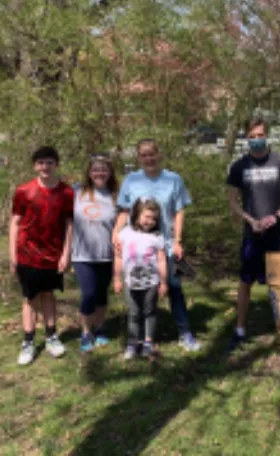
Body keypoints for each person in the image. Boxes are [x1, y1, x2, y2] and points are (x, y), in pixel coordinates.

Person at [113, 139, 200, 352]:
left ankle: (184, 332)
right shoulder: (131, 180)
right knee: (137, 289)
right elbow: (124, 210)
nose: (149, 158)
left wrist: (178, 240)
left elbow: (179, 211)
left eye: (152, 154)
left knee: (174, 287)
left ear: (158, 154)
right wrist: (116, 232)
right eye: (144, 155)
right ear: (138, 157)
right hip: (138, 247)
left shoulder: (173, 179)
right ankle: (140, 338)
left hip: (165, 245)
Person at [226, 117, 280, 352]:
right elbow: (233, 200)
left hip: (279, 233)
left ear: (267, 136)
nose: (257, 140)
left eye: (260, 135)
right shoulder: (239, 166)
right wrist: (251, 220)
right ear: (246, 139)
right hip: (252, 234)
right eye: (252, 137)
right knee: (245, 282)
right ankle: (239, 330)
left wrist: (275, 217)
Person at [9, 146, 74, 366]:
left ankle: (51, 336)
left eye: (49, 162)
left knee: (48, 295)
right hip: (27, 254)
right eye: (41, 163)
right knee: (30, 298)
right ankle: (28, 342)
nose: (45, 167)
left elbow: (69, 224)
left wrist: (66, 253)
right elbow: (15, 222)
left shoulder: (66, 192)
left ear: (56, 164)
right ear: (35, 166)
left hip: (53, 254)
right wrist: (12, 255)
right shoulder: (24, 191)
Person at [72, 154, 119, 352]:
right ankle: (85, 331)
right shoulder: (77, 191)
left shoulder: (116, 195)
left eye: (103, 169)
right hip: (82, 255)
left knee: (101, 294)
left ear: (110, 172)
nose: (99, 173)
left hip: (107, 254)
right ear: (89, 173)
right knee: (88, 293)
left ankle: (100, 328)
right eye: (95, 170)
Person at [114, 199, 169, 360]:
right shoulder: (125, 233)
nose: (150, 221)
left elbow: (161, 260)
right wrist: (117, 278)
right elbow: (118, 257)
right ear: (136, 215)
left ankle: (148, 342)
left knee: (149, 312)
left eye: (154, 218)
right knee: (133, 313)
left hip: (151, 283)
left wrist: (164, 282)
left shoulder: (157, 237)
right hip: (130, 282)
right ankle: (133, 342)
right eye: (147, 217)